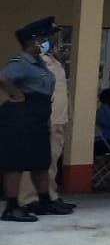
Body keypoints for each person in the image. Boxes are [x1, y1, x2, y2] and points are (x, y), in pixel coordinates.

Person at [0, 17, 72, 221]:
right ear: (34, 41)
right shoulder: (22, 62)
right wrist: (16, 94)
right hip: (20, 115)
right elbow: (3, 77)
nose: (50, 41)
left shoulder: (40, 63)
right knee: (16, 162)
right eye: (47, 38)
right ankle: (12, 207)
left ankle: (45, 201)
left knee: (40, 161)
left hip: (38, 115)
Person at [38, 23, 69, 202]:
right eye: (53, 37)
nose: (57, 40)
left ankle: (50, 195)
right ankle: (32, 199)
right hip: (47, 118)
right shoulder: (40, 60)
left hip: (58, 118)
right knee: (42, 161)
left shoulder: (54, 60)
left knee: (53, 160)